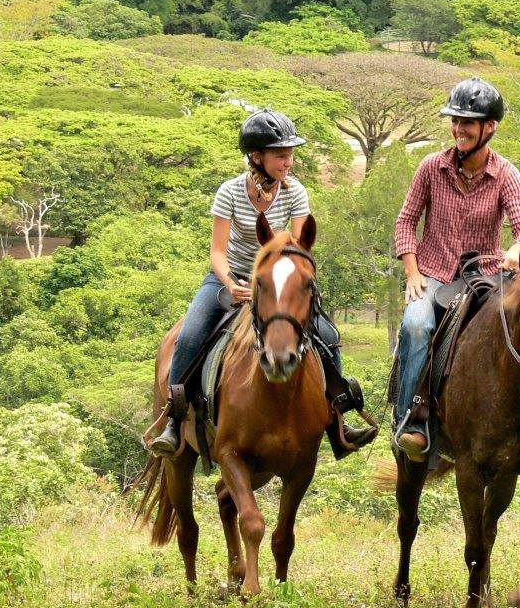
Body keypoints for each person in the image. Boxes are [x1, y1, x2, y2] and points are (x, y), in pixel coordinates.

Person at [147, 109, 374, 459]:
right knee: (190, 336)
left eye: (290, 154)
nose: (289, 161)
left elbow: (297, 248)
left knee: (327, 336)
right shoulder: (229, 192)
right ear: (257, 157)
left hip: (278, 280)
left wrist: (276, 282)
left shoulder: (295, 192)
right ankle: (173, 421)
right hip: (229, 278)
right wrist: (233, 285)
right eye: (281, 155)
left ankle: (338, 419)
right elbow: (217, 253)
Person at [391, 77, 520, 462]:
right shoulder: (430, 167)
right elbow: (406, 221)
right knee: (416, 326)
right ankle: (411, 421)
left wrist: (518, 247)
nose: (459, 129)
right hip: (433, 272)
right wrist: (412, 272)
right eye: (455, 121)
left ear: (490, 127)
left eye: (467, 123)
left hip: (486, 277)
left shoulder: (507, 174)